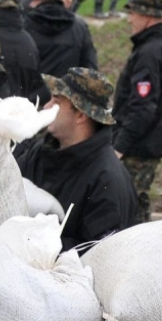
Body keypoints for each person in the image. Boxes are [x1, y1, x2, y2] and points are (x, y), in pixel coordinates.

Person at [15, 68, 139, 251]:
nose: (46, 106)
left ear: (81, 115)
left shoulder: (107, 180)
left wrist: (37, 245)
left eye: (56, 101)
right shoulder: (39, 152)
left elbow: (99, 252)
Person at [112, 0, 162, 224]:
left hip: (139, 145)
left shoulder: (150, 53)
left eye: (133, 13)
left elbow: (142, 107)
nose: (129, 19)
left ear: (148, 17)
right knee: (136, 202)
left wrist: (119, 146)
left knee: (128, 204)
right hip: (147, 140)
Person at [24, 0, 99, 78]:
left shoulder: (24, 25)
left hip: (33, 91)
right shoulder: (79, 27)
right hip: (67, 91)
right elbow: (90, 67)